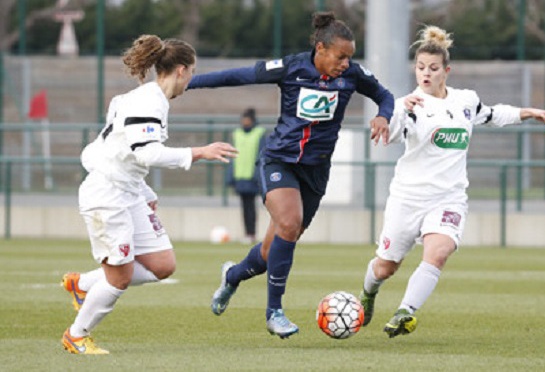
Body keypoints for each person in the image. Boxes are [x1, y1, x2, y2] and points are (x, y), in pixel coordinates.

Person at [187, 11, 394, 338]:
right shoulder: (292, 67)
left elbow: (384, 95)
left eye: (350, 57)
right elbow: (240, 76)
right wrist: (189, 83)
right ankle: (274, 312)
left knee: (273, 251)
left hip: (316, 171)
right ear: (321, 49)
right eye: (340, 56)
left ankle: (233, 276)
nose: (345, 63)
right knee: (288, 221)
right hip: (278, 161)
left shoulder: (353, 75)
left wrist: (383, 115)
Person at [358, 25, 545, 338]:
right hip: (407, 198)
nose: (425, 74)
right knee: (386, 267)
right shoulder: (408, 105)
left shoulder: (465, 101)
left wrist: (528, 112)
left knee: (438, 252)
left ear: (446, 71)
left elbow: (491, 114)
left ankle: (405, 312)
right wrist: (391, 119)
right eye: (420, 67)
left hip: (448, 198)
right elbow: (394, 132)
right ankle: (368, 293)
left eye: (433, 68)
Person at [60, 34, 237, 354]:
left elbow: (124, 151)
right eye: (193, 72)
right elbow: (147, 154)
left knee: (162, 265)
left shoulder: (147, 100)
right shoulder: (148, 101)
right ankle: (76, 335)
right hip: (107, 195)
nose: (191, 79)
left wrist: (144, 190)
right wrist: (200, 152)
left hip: (127, 191)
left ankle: (82, 284)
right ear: (181, 70)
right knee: (119, 278)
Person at [227, 108, 267, 243]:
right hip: (240, 176)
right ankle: (247, 233)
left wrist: (258, 175)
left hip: (252, 177)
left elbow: (261, 155)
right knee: (244, 206)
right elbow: (231, 157)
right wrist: (230, 176)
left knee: (251, 206)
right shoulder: (236, 134)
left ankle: (252, 233)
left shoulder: (259, 133)